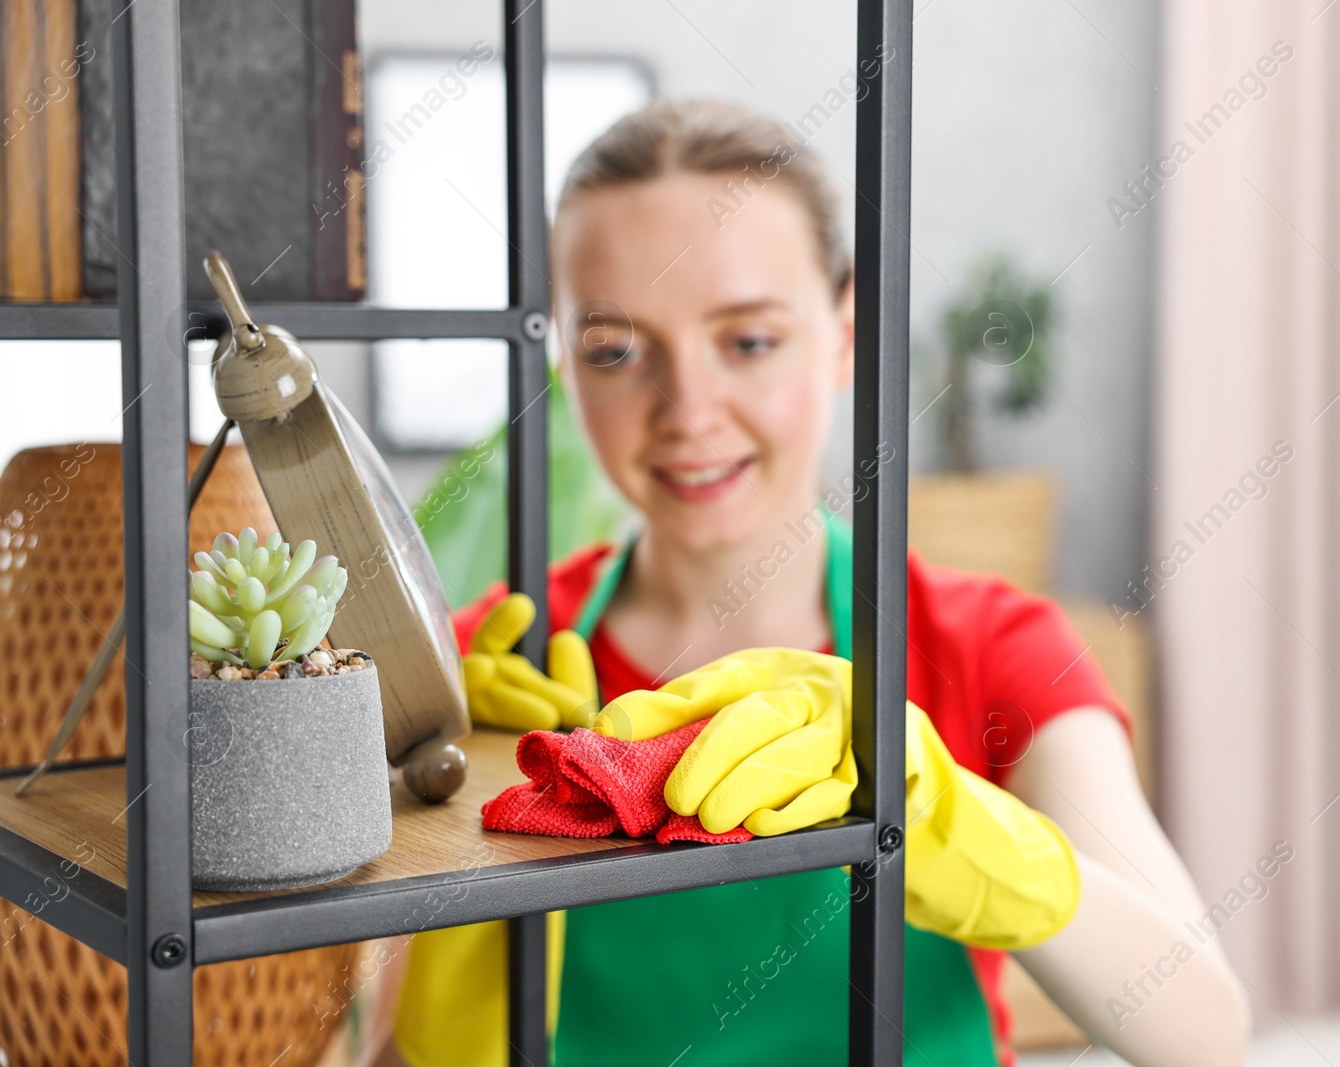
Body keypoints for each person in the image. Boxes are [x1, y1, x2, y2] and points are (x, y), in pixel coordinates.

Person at [380, 99, 1249, 1067]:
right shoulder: (485, 670)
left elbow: (1206, 1032)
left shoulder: (988, 645)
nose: (688, 411)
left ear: (843, 333)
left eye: (747, 340)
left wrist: (955, 824)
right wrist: (464, 882)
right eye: (617, 350)